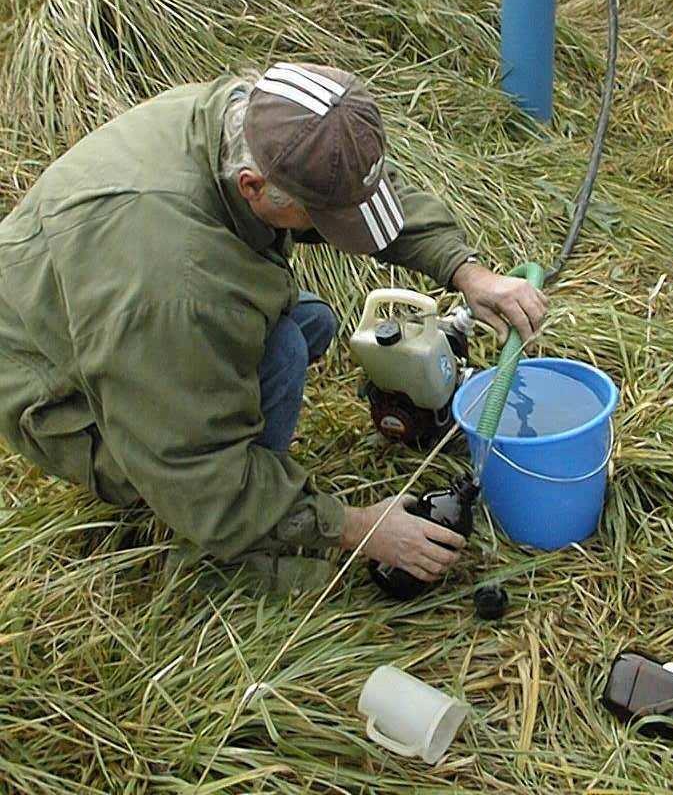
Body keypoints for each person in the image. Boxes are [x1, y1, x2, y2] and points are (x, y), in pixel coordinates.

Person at [0, 63, 547, 592]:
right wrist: (353, 528)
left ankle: (245, 481)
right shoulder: (176, 287)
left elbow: (359, 193)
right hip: (48, 382)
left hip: (85, 293)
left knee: (309, 321)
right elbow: (194, 469)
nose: (342, 229)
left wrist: (468, 272)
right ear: (253, 188)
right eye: (325, 219)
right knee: (282, 352)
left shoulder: (264, 119)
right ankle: (230, 557)